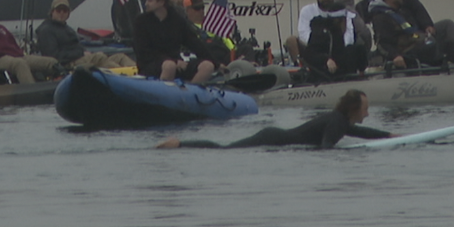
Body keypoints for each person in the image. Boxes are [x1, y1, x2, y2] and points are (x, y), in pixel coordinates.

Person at [154, 89, 390, 149]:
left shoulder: (339, 120)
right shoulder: (337, 122)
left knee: (225, 148)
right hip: (273, 140)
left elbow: (362, 132)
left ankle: (180, 144)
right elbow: (327, 147)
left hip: (275, 137)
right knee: (224, 149)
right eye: (365, 109)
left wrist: (392, 136)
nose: (367, 114)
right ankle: (179, 144)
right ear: (353, 109)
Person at [132, 0, 217, 84]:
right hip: (150, 65)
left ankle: (189, 93)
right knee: (169, 66)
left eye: (150, 1)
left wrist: (216, 64)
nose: (146, 4)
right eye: (146, 0)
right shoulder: (141, 21)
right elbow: (143, 51)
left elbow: (194, 43)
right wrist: (173, 61)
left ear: (161, 2)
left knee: (207, 66)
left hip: (176, 62)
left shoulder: (177, 20)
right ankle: (163, 95)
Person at [286, 0, 368, 79]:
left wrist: (338, 50)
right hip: (315, 47)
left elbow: (349, 36)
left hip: (340, 51)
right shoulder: (308, 12)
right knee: (292, 40)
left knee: (357, 48)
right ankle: (300, 67)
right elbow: (304, 34)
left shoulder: (343, 11)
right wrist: (325, 55)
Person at [35, 0, 135, 69]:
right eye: (58, 10)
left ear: (69, 13)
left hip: (80, 58)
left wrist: (83, 53)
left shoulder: (67, 28)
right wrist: (81, 53)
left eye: (65, 10)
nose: (62, 13)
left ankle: (138, 72)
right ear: (52, 12)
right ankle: (123, 75)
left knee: (120, 56)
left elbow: (77, 47)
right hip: (67, 65)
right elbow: (54, 57)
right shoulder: (46, 30)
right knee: (98, 57)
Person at [183, 0, 234, 66]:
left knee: (247, 48)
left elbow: (227, 40)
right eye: (197, 8)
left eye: (202, 7)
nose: (201, 11)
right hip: (207, 56)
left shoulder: (213, 23)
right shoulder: (185, 27)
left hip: (225, 53)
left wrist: (234, 50)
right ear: (188, 10)